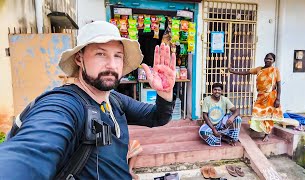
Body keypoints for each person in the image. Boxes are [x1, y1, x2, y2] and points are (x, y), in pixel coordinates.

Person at [0, 21, 176, 179]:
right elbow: (29, 154)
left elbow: (157, 117)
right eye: (100, 54)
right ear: (79, 58)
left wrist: (165, 92)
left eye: (118, 56)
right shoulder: (65, 104)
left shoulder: (115, 101)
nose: (111, 64)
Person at [229, 53, 283, 142]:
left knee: (268, 116)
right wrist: (232, 71)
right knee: (256, 112)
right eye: (267, 58)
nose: (268, 60)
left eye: (270, 59)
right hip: (260, 96)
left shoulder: (275, 70)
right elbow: (245, 72)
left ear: (273, 61)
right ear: (264, 59)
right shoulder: (259, 69)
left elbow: (279, 85)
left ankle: (267, 134)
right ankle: (255, 129)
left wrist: (278, 99)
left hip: (271, 96)